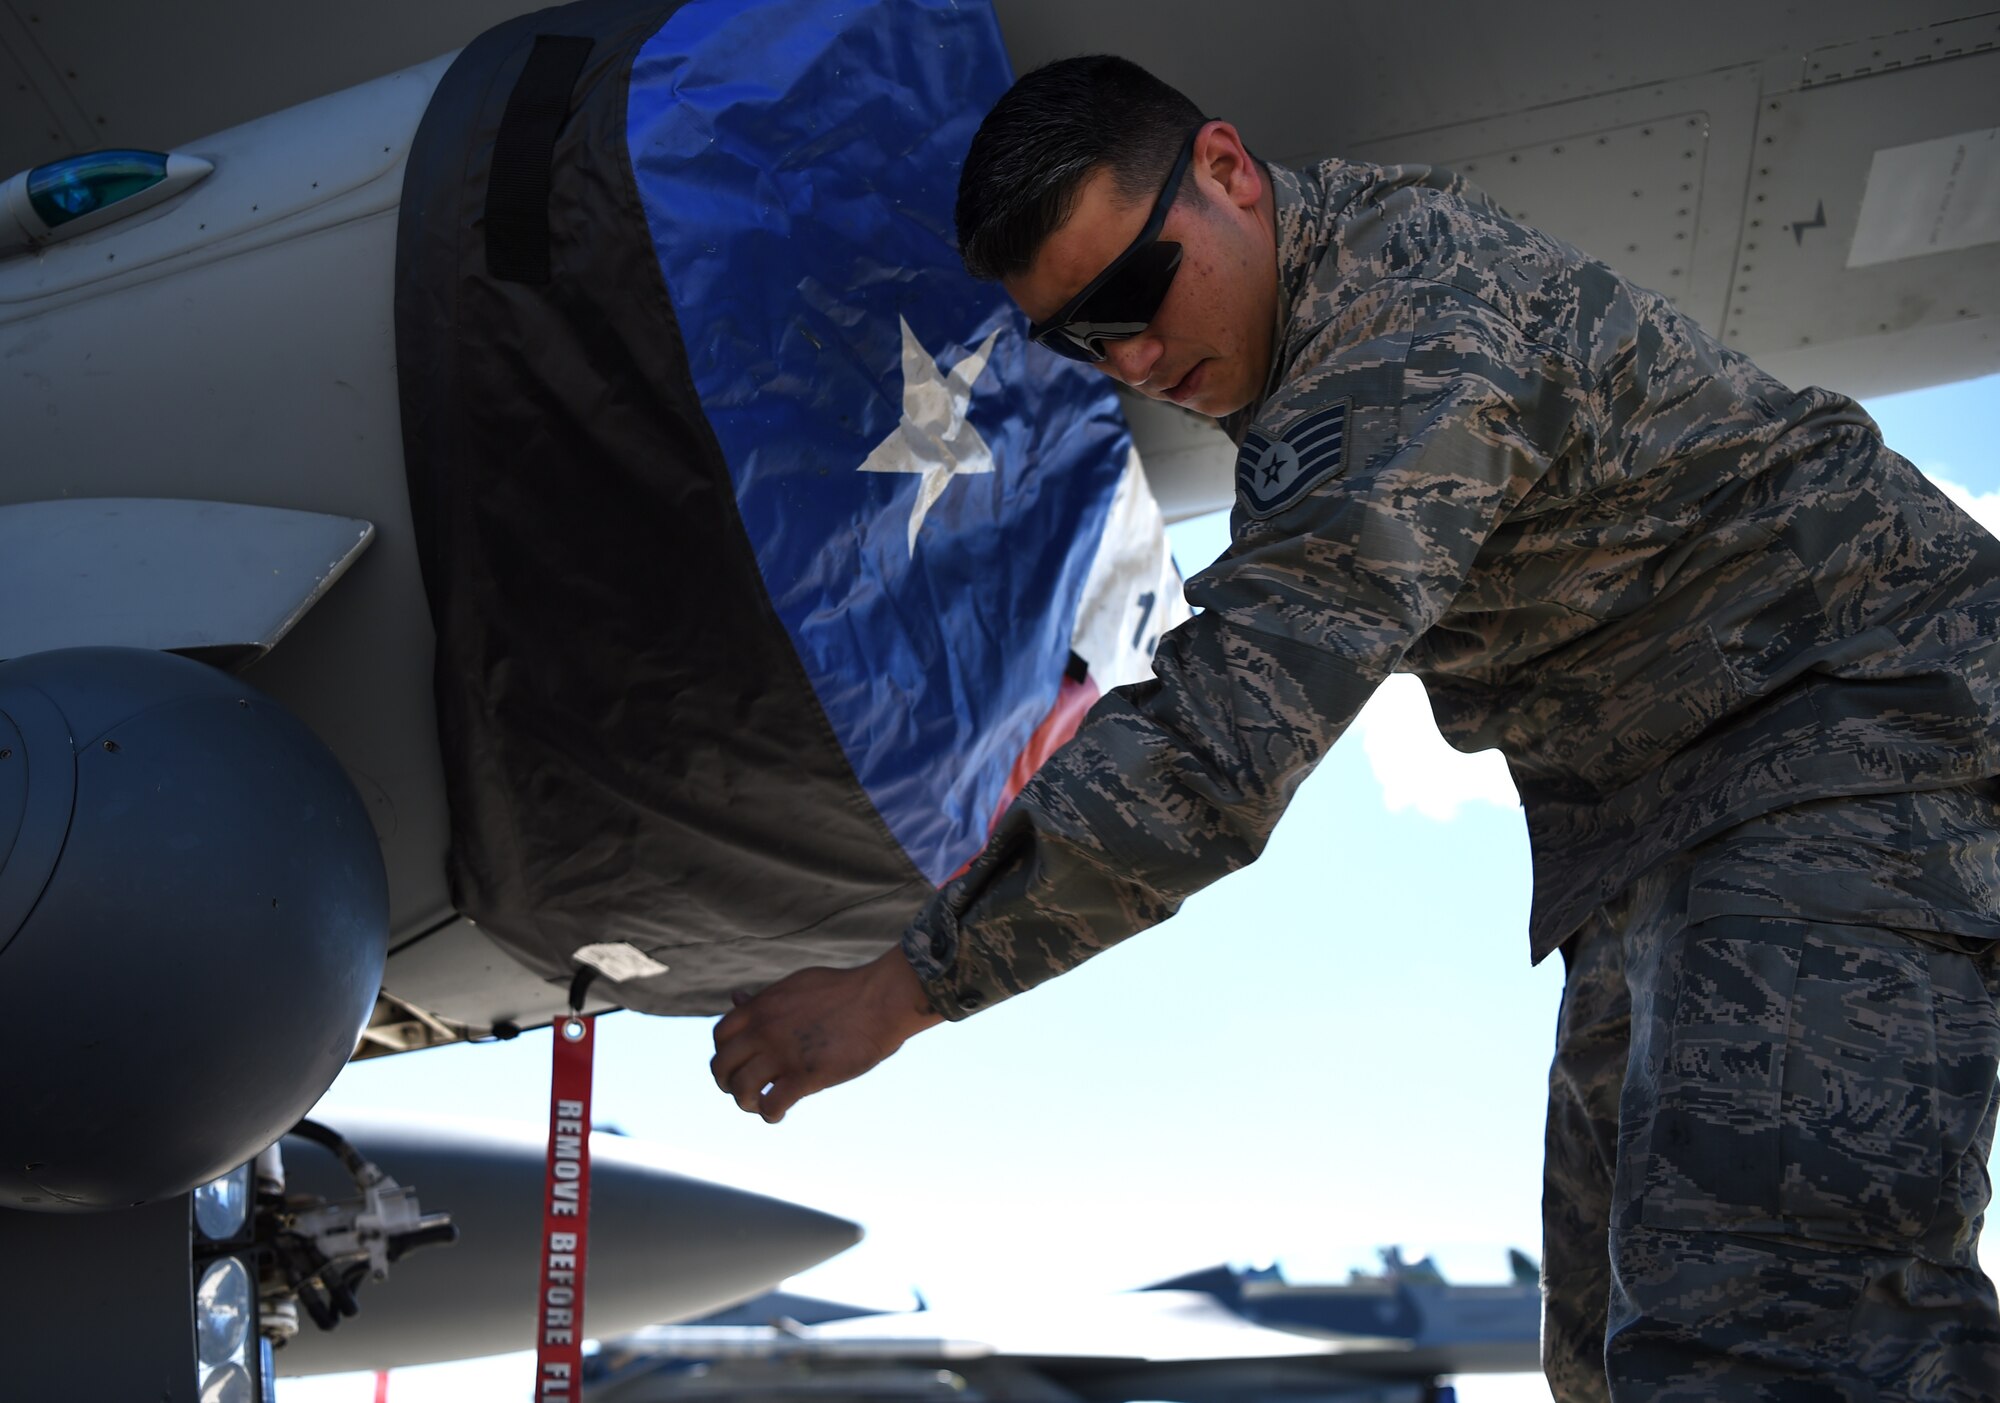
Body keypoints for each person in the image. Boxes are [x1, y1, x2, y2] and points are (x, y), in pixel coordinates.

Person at [710, 54, 2000, 1400]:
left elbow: (1225, 734)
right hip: (1668, 814)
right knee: (1614, 1359)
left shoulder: (1401, 332)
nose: (1133, 361)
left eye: (1134, 296)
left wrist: (908, 986)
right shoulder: (1310, 359)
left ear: (1226, 172)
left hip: (1847, 734)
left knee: (1779, 1338)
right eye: (1079, 342)